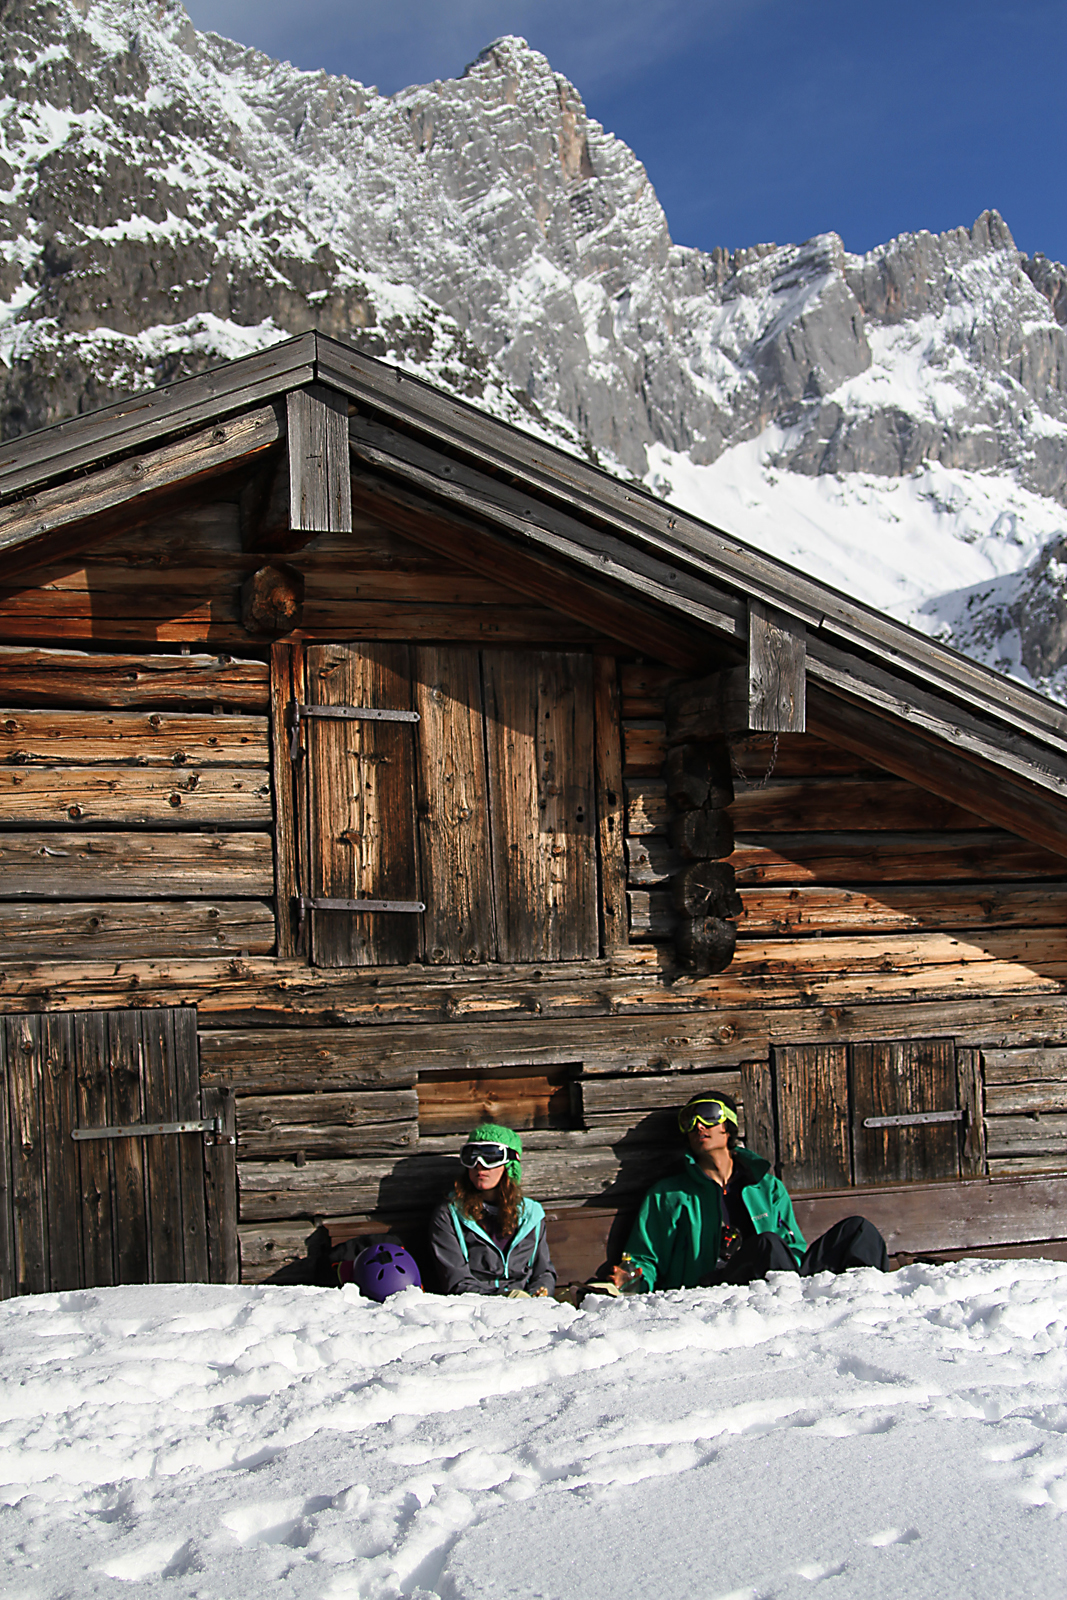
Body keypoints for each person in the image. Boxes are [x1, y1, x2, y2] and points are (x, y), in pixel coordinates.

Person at [621, 1092, 888, 1291]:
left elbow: (793, 1247)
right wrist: (630, 1280)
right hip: (718, 1288)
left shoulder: (767, 1187)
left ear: (729, 1126)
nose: (698, 1126)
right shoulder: (668, 1195)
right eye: (689, 1121)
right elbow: (643, 1256)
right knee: (766, 1244)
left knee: (858, 1230)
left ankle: (869, 1301)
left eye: (708, 1116)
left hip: (783, 1281)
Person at [429, 1122, 556, 1297]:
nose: (479, 1165)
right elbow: (457, 1281)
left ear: (510, 1164)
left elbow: (544, 1272)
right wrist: (506, 1298)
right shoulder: (450, 1215)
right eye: (471, 1156)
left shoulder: (531, 1215)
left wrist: (538, 1294)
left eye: (491, 1156)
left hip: (528, 1309)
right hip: (477, 1310)